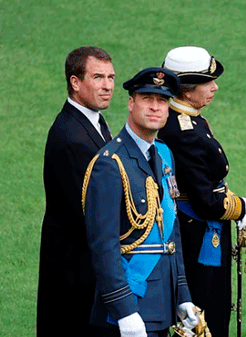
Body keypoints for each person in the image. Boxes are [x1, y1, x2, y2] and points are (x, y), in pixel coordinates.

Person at [82, 67, 200, 337]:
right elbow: (104, 245)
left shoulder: (164, 154)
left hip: (162, 303)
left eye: (162, 101)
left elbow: (171, 232)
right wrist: (124, 310)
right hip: (129, 307)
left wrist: (182, 295)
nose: (155, 107)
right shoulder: (109, 164)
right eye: (147, 99)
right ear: (131, 103)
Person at [158, 46, 246, 337]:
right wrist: (241, 206)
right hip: (196, 234)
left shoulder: (189, 118)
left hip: (200, 231)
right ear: (187, 90)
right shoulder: (183, 131)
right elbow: (205, 201)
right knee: (205, 313)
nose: (214, 88)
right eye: (207, 82)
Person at [37, 46, 115, 336]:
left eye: (110, 77)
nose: (108, 86)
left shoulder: (91, 121)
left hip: (82, 267)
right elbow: (89, 213)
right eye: (98, 77)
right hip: (75, 275)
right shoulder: (71, 137)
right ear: (75, 82)